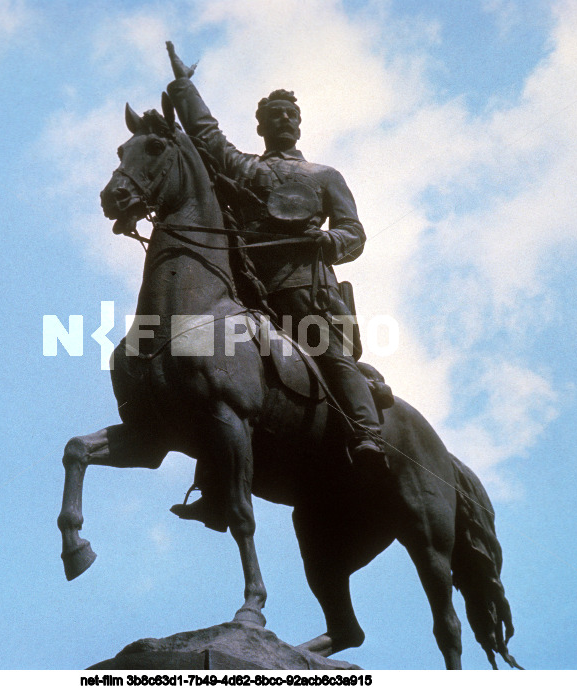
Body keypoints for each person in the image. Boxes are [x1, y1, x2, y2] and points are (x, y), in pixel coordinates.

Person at [165, 43, 386, 530]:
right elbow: (206, 135)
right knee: (214, 377)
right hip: (246, 294)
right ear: (261, 125)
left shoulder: (324, 176)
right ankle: (216, 484)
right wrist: (184, 88)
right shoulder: (248, 170)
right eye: (274, 115)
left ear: (299, 124)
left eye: (290, 114)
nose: (283, 120)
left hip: (305, 291)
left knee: (328, 352)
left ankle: (367, 434)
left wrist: (325, 242)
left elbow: (355, 234)